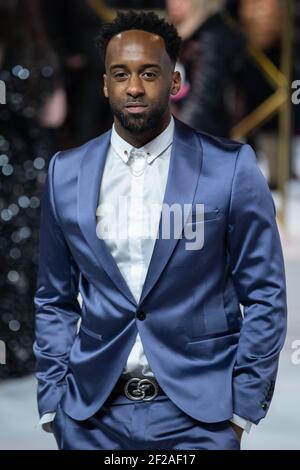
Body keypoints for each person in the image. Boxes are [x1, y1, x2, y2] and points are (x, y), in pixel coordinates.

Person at [33, 10, 287, 450]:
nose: (134, 87)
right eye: (121, 74)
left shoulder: (230, 168)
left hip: (198, 419)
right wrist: (55, 403)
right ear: (105, 84)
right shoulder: (65, 173)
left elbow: (265, 294)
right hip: (92, 417)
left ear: (174, 82)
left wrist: (241, 410)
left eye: (149, 73)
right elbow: (54, 299)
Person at [167, 0, 246, 137]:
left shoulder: (210, 37)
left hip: (203, 138)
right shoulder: (179, 31)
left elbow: (203, 97)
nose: (174, 3)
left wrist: (178, 136)